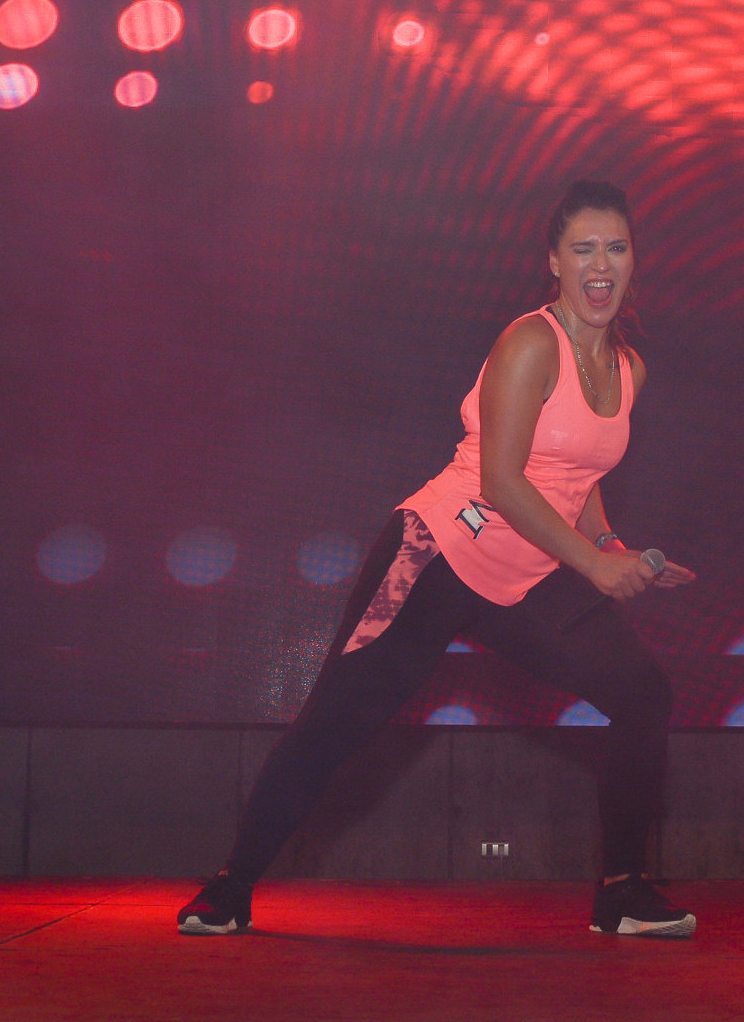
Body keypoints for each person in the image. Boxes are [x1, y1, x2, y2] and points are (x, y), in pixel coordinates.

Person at [178, 181, 698, 938]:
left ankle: (622, 893)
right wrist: (593, 567)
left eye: (614, 248)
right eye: (582, 248)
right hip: (438, 552)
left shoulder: (628, 370)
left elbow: (579, 477)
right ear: (554, 262)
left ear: (632, 260)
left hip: (528, 571)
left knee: (642, 692)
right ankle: (229, 888)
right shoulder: (530, 343)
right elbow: (503, 481)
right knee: (336, 723)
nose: (600, 264)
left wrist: (611, 547)